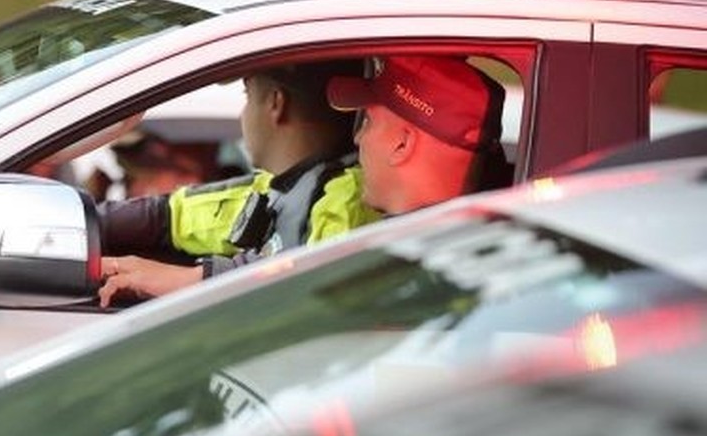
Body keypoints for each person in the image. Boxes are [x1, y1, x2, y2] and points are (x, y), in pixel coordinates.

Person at [97, 60, 377, 307]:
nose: (241, 115)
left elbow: (309, 285)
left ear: (276, 103)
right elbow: (179, 215)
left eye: (247, 96)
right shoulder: (279, 185)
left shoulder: (349, 197)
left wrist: (185, 279)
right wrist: (91, 221)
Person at [325, 54, 509, 215]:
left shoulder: (394, 252)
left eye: (368, 123)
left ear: (402, 144)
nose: (358, 139)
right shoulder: (481, 243)